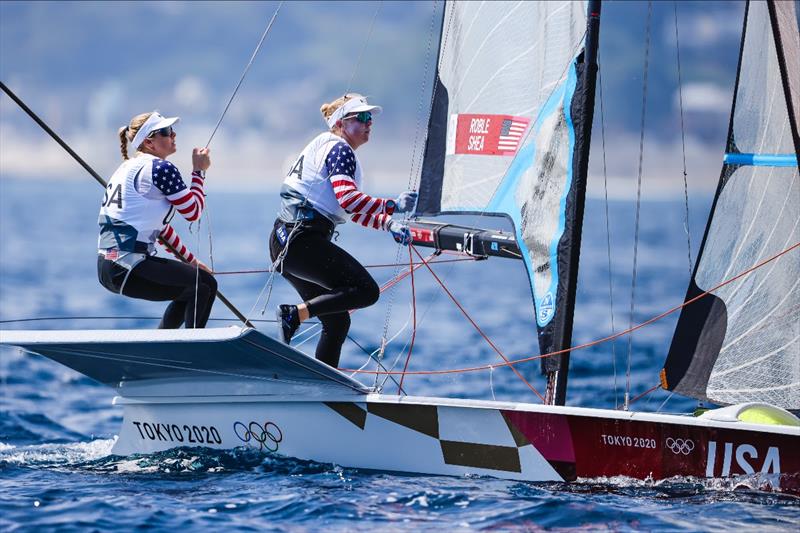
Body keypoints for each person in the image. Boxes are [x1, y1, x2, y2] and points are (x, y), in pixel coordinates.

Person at [269, 93, 418, 368]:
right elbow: (348, 198)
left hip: (286, 241)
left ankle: (325, 383)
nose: (368, 123)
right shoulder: (340, 149)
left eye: (370, 118)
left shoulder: (328, 147)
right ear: (340, 123)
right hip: (301, 240)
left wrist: (388, 223)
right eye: (361, 117)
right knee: (366, 291)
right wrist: (392, 205)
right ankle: (294, 314)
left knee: (337, 320)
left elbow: (350, 210)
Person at [97, 111, 217, 329]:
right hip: (128, 266)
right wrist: (199, 172)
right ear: (149, 142)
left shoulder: (125, 168)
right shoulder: (161, 168)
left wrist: (190, 261)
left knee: (193, 285)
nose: (173, 135)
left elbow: (161, 231)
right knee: (204, 284)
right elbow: (193, 212)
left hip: (108, 268)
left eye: (172, 130)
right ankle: (192, 348)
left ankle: (166, 346)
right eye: (166, 131)